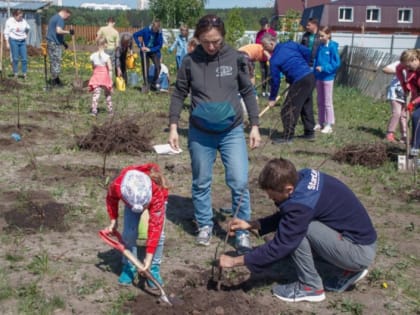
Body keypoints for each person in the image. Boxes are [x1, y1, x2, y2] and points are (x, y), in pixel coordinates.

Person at [219, 157, 377, 303]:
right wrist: (253, 224)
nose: (270, 199)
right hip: (359, 242)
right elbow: (290, 215)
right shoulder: (303, 178)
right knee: (299, 226)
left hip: (359, 251)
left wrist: (235, 261)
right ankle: (348, 270)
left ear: (288, 189)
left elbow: (281, 245)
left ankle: (310, 287)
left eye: (273, 197)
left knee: (299, 232)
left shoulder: (301, 205)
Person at [168, 14, 261, 253]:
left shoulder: (235, 58)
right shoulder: (190, 61)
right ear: (198, 38)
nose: (211, 46)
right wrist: (173, 126)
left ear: (223, 37)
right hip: (201, 134)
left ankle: (241, 231)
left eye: (216, 41)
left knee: (239, 181)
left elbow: (248, 92)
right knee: (201, 182)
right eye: (206, 41)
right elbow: (179, 93)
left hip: (232, 131)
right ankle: (205, 225)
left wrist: (255, 125)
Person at [105, 163, 169, 287]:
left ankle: (154, 268)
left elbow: (155, 228)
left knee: (159, 235)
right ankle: (130, 264)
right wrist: (113, 220)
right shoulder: (119, 185)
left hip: (155, 199)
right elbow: (111, 199)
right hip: (131, 202)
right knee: (129, 233)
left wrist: (148, 259)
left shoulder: (157, 193)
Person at [260, 34, 316, 144]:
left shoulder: (274, 60)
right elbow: (307, 52)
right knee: (305, 105)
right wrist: (305, 65)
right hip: (310, 76)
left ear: (272, 43)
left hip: (300, 80)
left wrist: (272, 98)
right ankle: (309, 133)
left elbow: (275, 81)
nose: (264, 49)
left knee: (287, 108)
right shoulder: (290, 45)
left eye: (265, 46)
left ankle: (287, 137)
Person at [313, 26, 341, 134]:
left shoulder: (332, 47)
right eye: (319, 36)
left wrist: (324, 68)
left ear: (328, 35)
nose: (320, 38)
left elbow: (336, 63)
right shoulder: (320, 47)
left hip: (328, 78)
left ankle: (329, 124)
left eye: (322, 36)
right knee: (319, 100)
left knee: (327, 102)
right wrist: (315, 73)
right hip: (319, 77)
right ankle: (320, 122)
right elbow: (316, 60)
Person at [396, 49, 420, 153]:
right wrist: (404, 85)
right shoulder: (406, 65)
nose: (407, 69)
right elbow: (398, 69)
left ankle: (415, 147)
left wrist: (413, 103)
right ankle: (415, 146)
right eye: (406, 67)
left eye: (409, 67)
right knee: (416, 117)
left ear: (415, 60)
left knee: (417, 117)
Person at [133, 19, 163, 91]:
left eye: (157, 30)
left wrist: (151, 49)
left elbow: (160, 45)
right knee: (145, 68)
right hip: (144, 52)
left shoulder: (159, 33)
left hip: (153, 51)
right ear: (152, 26)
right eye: (154, 29)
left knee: (158, 66)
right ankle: (146, 84)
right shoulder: (146, 30)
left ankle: (153, 83)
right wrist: (140, 46)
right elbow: (135, 35)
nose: (155, 31)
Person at [46, 8, 73, 87]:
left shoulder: (54, 17)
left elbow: (53, 32)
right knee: (56, 62)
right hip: (54, 44)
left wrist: (63, 42)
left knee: (54, 61)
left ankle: (56, 80)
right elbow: (58, 31)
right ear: (65, 12)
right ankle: (55, 82)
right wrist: (69, 32)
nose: (67, 18)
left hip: (51, 42)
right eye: (68, 16)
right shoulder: (60, 19)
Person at [382, 61, 407, 143]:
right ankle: (390, 133)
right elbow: (385, 69)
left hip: (407, 95)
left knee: (404, 115)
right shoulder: (400, 63)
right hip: (395, 93)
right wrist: (398, 71)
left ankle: (404, 135)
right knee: (397, 113)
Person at [88, 37, 113, 116]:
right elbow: (110, 69)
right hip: (104, 77)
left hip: (96, 77)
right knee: (107, 94)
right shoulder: (107, 57)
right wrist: (110, 80)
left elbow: (93, 67)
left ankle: (94, 111)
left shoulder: (93, 56)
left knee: (96, 94)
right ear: (105, 44)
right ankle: (110, 111)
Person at [4, 9, 30, 79]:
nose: (21, 18)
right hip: (13, 41)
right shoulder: (10, 21)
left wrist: (26, 35)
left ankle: (24, 74)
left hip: (22, 41)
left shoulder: (23, 21)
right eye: (19, 16)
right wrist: (7, 43)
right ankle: (15, 73)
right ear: (15, 16)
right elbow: (6, 32)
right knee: (15, 58)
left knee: (24, 58)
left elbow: (28, 28)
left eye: (22, 16)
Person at [255, 17, 276, 97]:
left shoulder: (272, 32)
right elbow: (257, 44)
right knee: (263, 73)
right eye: (261, 25)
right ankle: (263, 90)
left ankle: (270, 90)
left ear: (267, 24)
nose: (262, 26)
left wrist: (270, 55)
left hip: (271, 57)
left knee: (270, 73)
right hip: (262, 57)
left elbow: (274, 44)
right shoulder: (259, 33)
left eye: (263, 24)